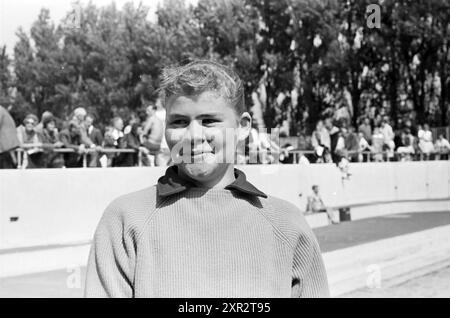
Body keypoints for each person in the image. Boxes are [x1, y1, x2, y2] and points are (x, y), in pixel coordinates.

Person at [85, 60, 329, 298]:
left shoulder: (286, 223)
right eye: (179, 122)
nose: (193, 136)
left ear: (243, 127)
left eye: (209, 121)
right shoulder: (126, 219)